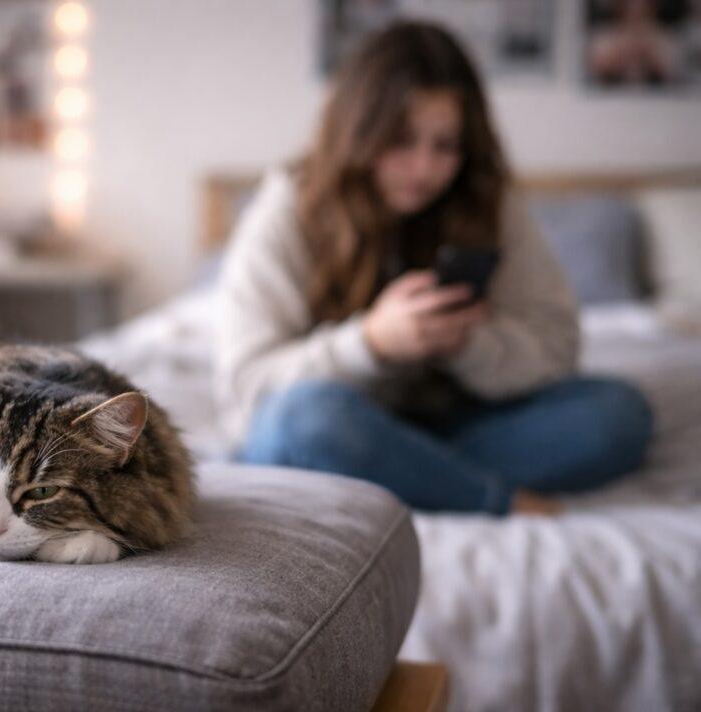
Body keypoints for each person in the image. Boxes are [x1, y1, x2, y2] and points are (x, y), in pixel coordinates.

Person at [214, 20, 653, 516]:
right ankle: (492, 498)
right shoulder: (291, 205)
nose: (424, 168)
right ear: (359, 129)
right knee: (305, 422)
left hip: (447, 422)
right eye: (401, 141)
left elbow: (557, 347)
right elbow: (247, 393)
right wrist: (372, 344)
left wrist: (469, 344)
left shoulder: (488, 203)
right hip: (339, 421)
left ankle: (405, 474)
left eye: (445, 146)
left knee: (619, 414)